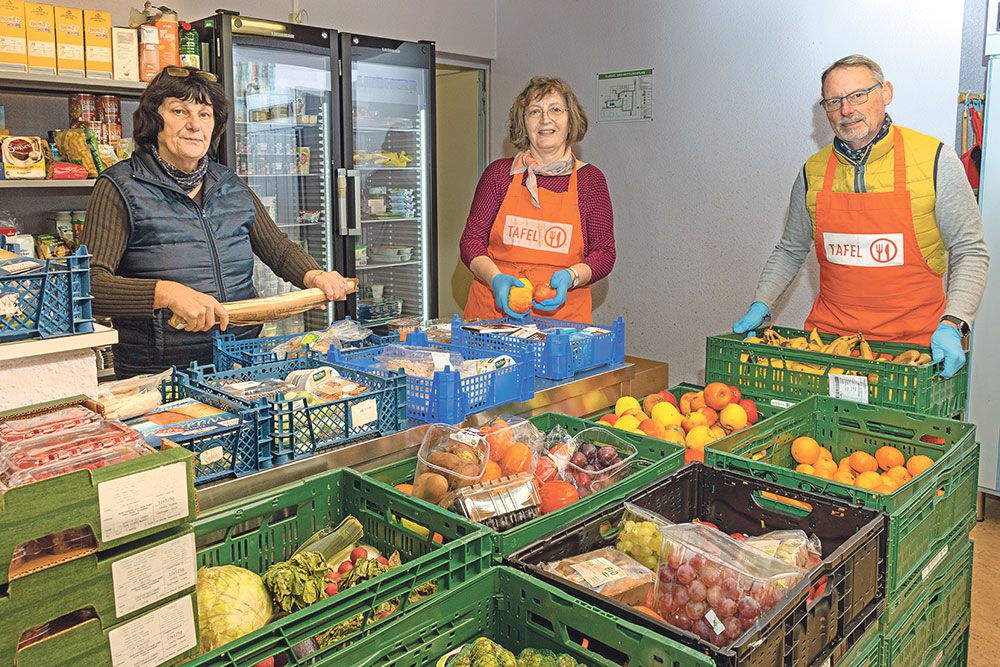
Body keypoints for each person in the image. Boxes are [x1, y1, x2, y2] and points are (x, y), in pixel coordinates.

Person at [81, 66, 352, 378]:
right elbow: (90, 284)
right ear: (155, 118)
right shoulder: (120, 186)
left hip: (241, 358)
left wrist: (314, 275)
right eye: (179, 111)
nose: (194, 125)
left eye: (205, 114)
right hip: (161, 372)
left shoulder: (229, 183)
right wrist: (166, 293)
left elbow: (277, 248)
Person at [733, 55, 989, 378]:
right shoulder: (813, 172)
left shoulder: (935, 161)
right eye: (834, 101)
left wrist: (955, 322)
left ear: (886, 93)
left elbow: (970, 250)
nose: (846, 110)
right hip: (828, 353)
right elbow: (790, 249)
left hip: (914, 356)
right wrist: (763, 301)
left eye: (858, 95)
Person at [460, 76, 616, 323]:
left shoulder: (590, 181)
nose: (545, 119)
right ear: (523, 122)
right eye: (534, 111)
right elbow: (471, 241)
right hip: (493, 319)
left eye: (555, 109)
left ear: (570, 119)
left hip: (562, 325)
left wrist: (571, 277)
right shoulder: (499, 175)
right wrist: (495, 279)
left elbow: (604, 252)